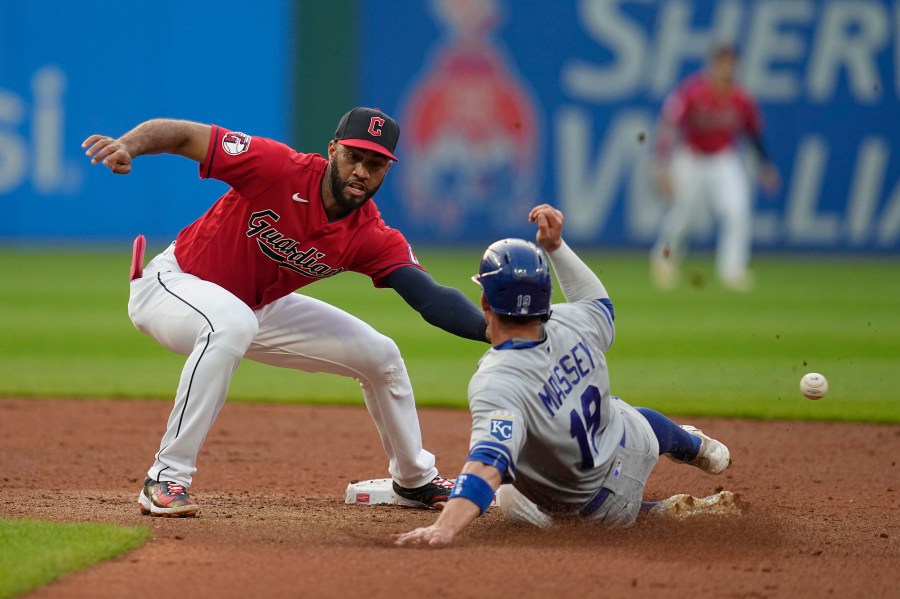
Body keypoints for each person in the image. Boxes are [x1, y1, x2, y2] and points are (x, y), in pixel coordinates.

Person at [82, 107, 489, 517]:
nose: (362, 171)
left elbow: (430, 297)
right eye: (354, 156)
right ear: (332, 150)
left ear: (387, 170)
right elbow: (183, 135)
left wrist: (494, 330)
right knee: (231, 322)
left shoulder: (369, 235)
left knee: (381, 356)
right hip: (173, 286)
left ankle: (413, 480)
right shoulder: (277, 168)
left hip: (253, 309)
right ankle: (166, 477)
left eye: (376, 163)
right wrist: (127, 145)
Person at [395, 204, 741, 546]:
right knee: (620, 411)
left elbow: (488, 464)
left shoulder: (497, 381)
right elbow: (600, 303)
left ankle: (657, 512)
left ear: (485, 302)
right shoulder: (573, 320)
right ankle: (698, 448)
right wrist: (556, 247)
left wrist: (444, 528)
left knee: (509, 495)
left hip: (602, 507)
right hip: (635, 442)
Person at [650, 43, 779, 292]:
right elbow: (668, 124)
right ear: (712, 64)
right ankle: (665, 260)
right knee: (684, 215)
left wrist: (764, 166)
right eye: (722, 61)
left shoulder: (740, 97)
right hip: (692, 157)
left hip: (723, 158)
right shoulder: (693, 91)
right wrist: (661, 163)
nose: (726, 67)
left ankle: (732, 269)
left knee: (736, 211)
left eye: (730, 62)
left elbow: (753, 133)